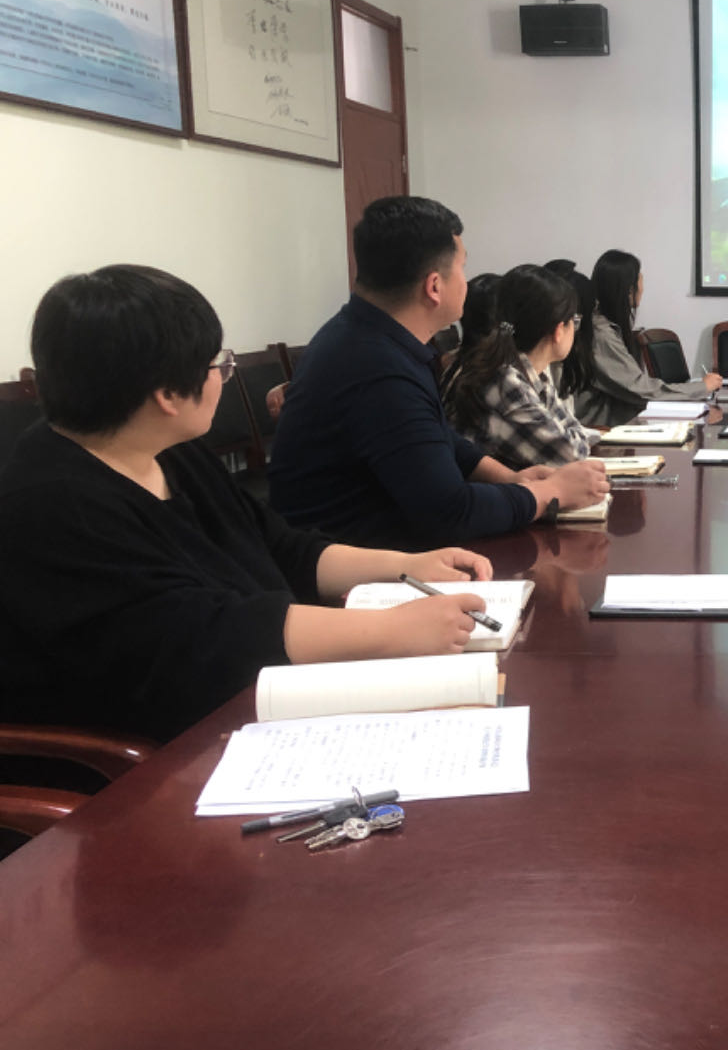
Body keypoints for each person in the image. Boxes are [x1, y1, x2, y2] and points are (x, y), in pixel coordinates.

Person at [0, 265, 498, 742]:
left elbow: (279, 545)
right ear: (167, 394)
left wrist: (408, 566)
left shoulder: (167, 450)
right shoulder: (50, 504)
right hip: (155, 751)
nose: (223, 376)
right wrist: (387, 630)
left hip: (246, 697)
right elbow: (198, 637)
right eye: (218, 365)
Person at [269, 196, 608, 548]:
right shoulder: (377, 368)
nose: (466, 281)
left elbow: (436, 437)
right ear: (434, 287)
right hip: (349, 562)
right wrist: (549, 493)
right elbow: (450, 513)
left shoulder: (367, 337)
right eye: (462, 267)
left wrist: (511, 478)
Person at [445, 263, 598, 469]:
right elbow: (571, 454)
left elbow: (573, 429)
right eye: (574, 321)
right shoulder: (505, 380)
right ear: (559, 330)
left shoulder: (528, 372)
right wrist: (575, 437)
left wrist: (575, 437)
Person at [564, 248, 722, 427]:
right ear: (629, 290)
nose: (643, 286)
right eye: (640, 279)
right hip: (600, 428)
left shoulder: (605, 326)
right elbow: (638, 387)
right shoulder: (600, 332)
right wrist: (701, 387)